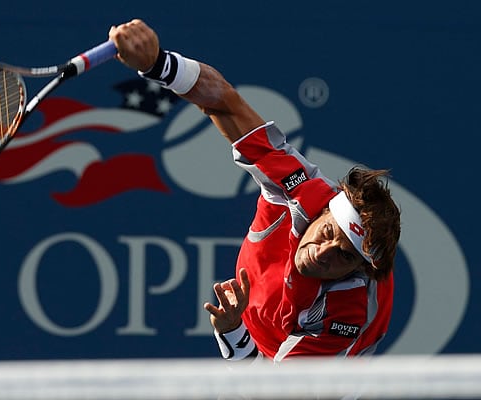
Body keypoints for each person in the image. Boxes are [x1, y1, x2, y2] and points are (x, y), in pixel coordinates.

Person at [109, 19, 401, 362]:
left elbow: (269, 391)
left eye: (345, 256)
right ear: (323, 212)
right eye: (328, 234)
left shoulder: (346, 312)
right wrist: (158, 64)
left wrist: (233, 333)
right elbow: (226, 105)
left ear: (357, 270)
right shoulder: (300, 188)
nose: (324, 252)